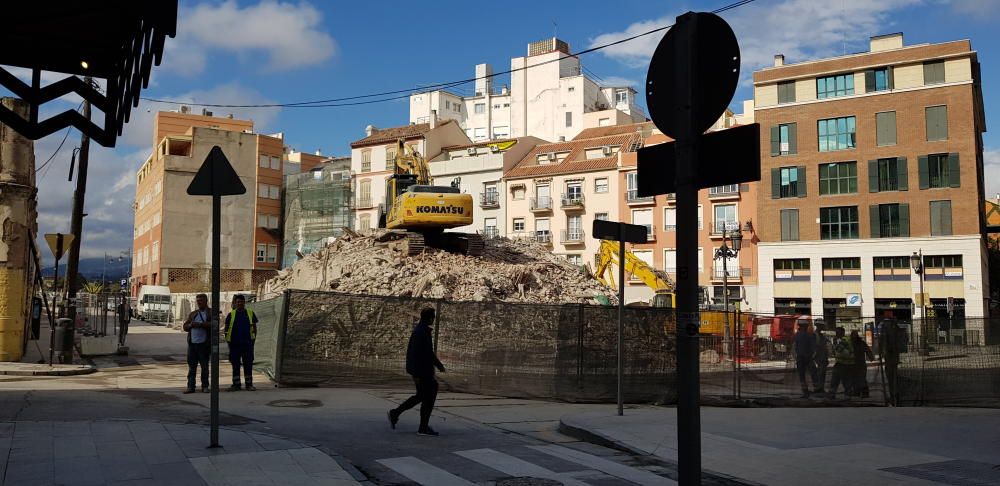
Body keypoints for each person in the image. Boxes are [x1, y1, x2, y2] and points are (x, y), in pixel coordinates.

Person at [388, 308, 446, 436]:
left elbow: (427, 353)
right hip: (422, 372)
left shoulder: (422, 331)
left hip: (423, 371)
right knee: (427, 396)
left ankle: (397, 413)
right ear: (430, 318)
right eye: (433, 317)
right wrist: (416, 374)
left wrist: (438, 365)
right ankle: (422, 427)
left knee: (422, 396)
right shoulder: (421, 332)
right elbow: (416, 354)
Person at [224, 294, 258, 391]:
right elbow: (226, 328)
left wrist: (253, 340)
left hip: (247, 344)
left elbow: (254, 328)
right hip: (234, 344)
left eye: (241, 302)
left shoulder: (250, 313)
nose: (239, 303)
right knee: (235, 364)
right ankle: (236, 384)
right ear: (235, 303)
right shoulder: (231, 314)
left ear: (244, 303)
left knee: (248, 364)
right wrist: (228, 340)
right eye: (238, 302)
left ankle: (249, 384)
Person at [182, 294, 211, 394]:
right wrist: (190, 325)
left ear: (206, 301)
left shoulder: (210, 313)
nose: (199, 302)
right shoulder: (193, 314)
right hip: (192, 345)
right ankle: (190, 386)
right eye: (198, 300)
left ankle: (205, 386)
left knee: (204, 367)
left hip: (204, 345)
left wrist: (200, 324)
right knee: (192, 367)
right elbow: (185, 326)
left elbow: (214, 324)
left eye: (201, 300)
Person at [829, 327, 854, 398]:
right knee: (846, 380)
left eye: (838, 332)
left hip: (843, 363)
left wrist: (835, 345)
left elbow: (841, 351)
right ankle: (847, 395)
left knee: (836, 379)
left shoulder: (844, 340)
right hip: (845, 363)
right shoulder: (846, 339)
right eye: (836, 332)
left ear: (842, 333)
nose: (836, 334)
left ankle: (832, 394)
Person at [793, 321, 816, 398]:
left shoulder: (797, 335)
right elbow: (813, 348)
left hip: (800, 358)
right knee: (813, 374)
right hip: (808, 358)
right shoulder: (810, 335)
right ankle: (816, 390)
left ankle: (805, 392)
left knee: (802, 376)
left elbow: (794, 347)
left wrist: (795, 356)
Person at [851, 329, 873, 398]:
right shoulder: (851, 343)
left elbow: (867, 350)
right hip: (853, 363)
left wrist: (871, 357)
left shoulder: (861, 343)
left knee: (862, 378)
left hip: (860, 363)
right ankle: (856, 392)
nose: (854, 337)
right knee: (855, 378)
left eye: (855, 335)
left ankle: (865, 393)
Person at [812, 322, 830, 395]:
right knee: (818, 375)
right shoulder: (814, 335)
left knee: (822, 375)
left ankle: (820, 389)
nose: (824, 327)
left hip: (823, 358)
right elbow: (814, 347)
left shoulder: (822, 336)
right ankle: (818, 389)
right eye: (822, 326)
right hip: (818, 358)